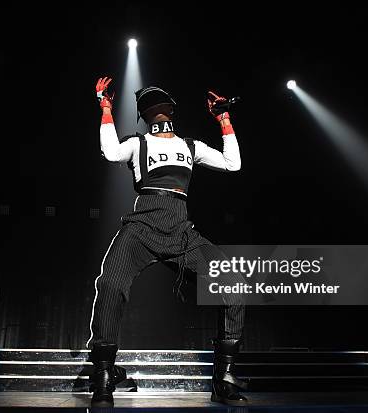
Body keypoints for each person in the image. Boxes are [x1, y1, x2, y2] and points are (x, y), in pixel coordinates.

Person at [86, 76, 247, 407]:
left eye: (161, 102)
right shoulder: (136, 143)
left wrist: (224, 119)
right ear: (145, 115)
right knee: (110, 285)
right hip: (142, 223)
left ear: (171, 109)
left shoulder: (191, 146)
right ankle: (103, 375)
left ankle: (224, 377)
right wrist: (105, 107)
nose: (157, 108)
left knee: (231, 283)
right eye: (150, 104)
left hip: (180, 228)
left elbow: (234, 164)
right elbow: (109, 151)